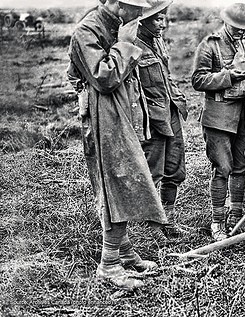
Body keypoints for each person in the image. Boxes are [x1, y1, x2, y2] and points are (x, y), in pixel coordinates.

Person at [67, 0, 169, 290]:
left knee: (121, 180)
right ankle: (108, 264)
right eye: (135, 6)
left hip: (120, 111)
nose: (141, 13)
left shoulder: (115, 24)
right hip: (104, 115)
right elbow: (104, 77)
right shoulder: (87, 31)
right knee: (117, 182)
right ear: (115, 3)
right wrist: (124, 43)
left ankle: (123, 253)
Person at [191, 3, 245, 240]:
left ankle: (236, 216)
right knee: (223, 169)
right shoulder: (210, 45)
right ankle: (217, 223)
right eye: (237, 27)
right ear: (226, 22)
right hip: (218, 117)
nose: (241, 32)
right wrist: (228, 76)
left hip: (241, 115)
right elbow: (198, 80)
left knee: (240, 167)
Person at [136, 0, 188, 234]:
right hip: (151, 118)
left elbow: (165, 77)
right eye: (157, 19)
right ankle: (152, 225)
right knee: (153, 171)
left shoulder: (157, 43)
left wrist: (177, 95)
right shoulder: (131, 47)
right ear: (142, 21)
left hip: (171, 111)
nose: (163, 24)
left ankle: (169, 219)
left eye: (164, 18)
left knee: (174, 169)